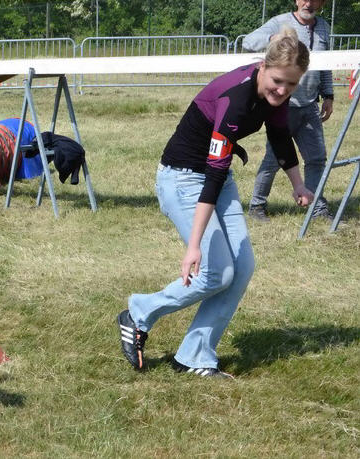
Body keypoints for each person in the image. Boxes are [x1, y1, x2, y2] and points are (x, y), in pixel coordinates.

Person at [117, 27, 314, 377]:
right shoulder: (236, 100)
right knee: (214, 272)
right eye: (278, 81)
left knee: (242, 268)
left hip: (216, 178)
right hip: (183, 178)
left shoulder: (275, 97)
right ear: (263, 68)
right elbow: (213, 172)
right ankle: (139, 312)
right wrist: (194, 246)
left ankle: (194, 356)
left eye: (292, 85)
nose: (283, 91)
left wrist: (298, 184)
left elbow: (280, 136)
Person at [243, 0, 334, 221]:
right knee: (273, 160)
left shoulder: (324, 27)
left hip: (310, 106)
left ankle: (316, 208)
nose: (309, 3)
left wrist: (329, 95)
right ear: (296, 0)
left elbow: (326, 64)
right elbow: (248, 41)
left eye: (315, 0)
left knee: (316, 159)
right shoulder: (279, 22)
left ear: (322, 3)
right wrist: (272, 39)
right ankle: (257, 206)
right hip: (282, 107)